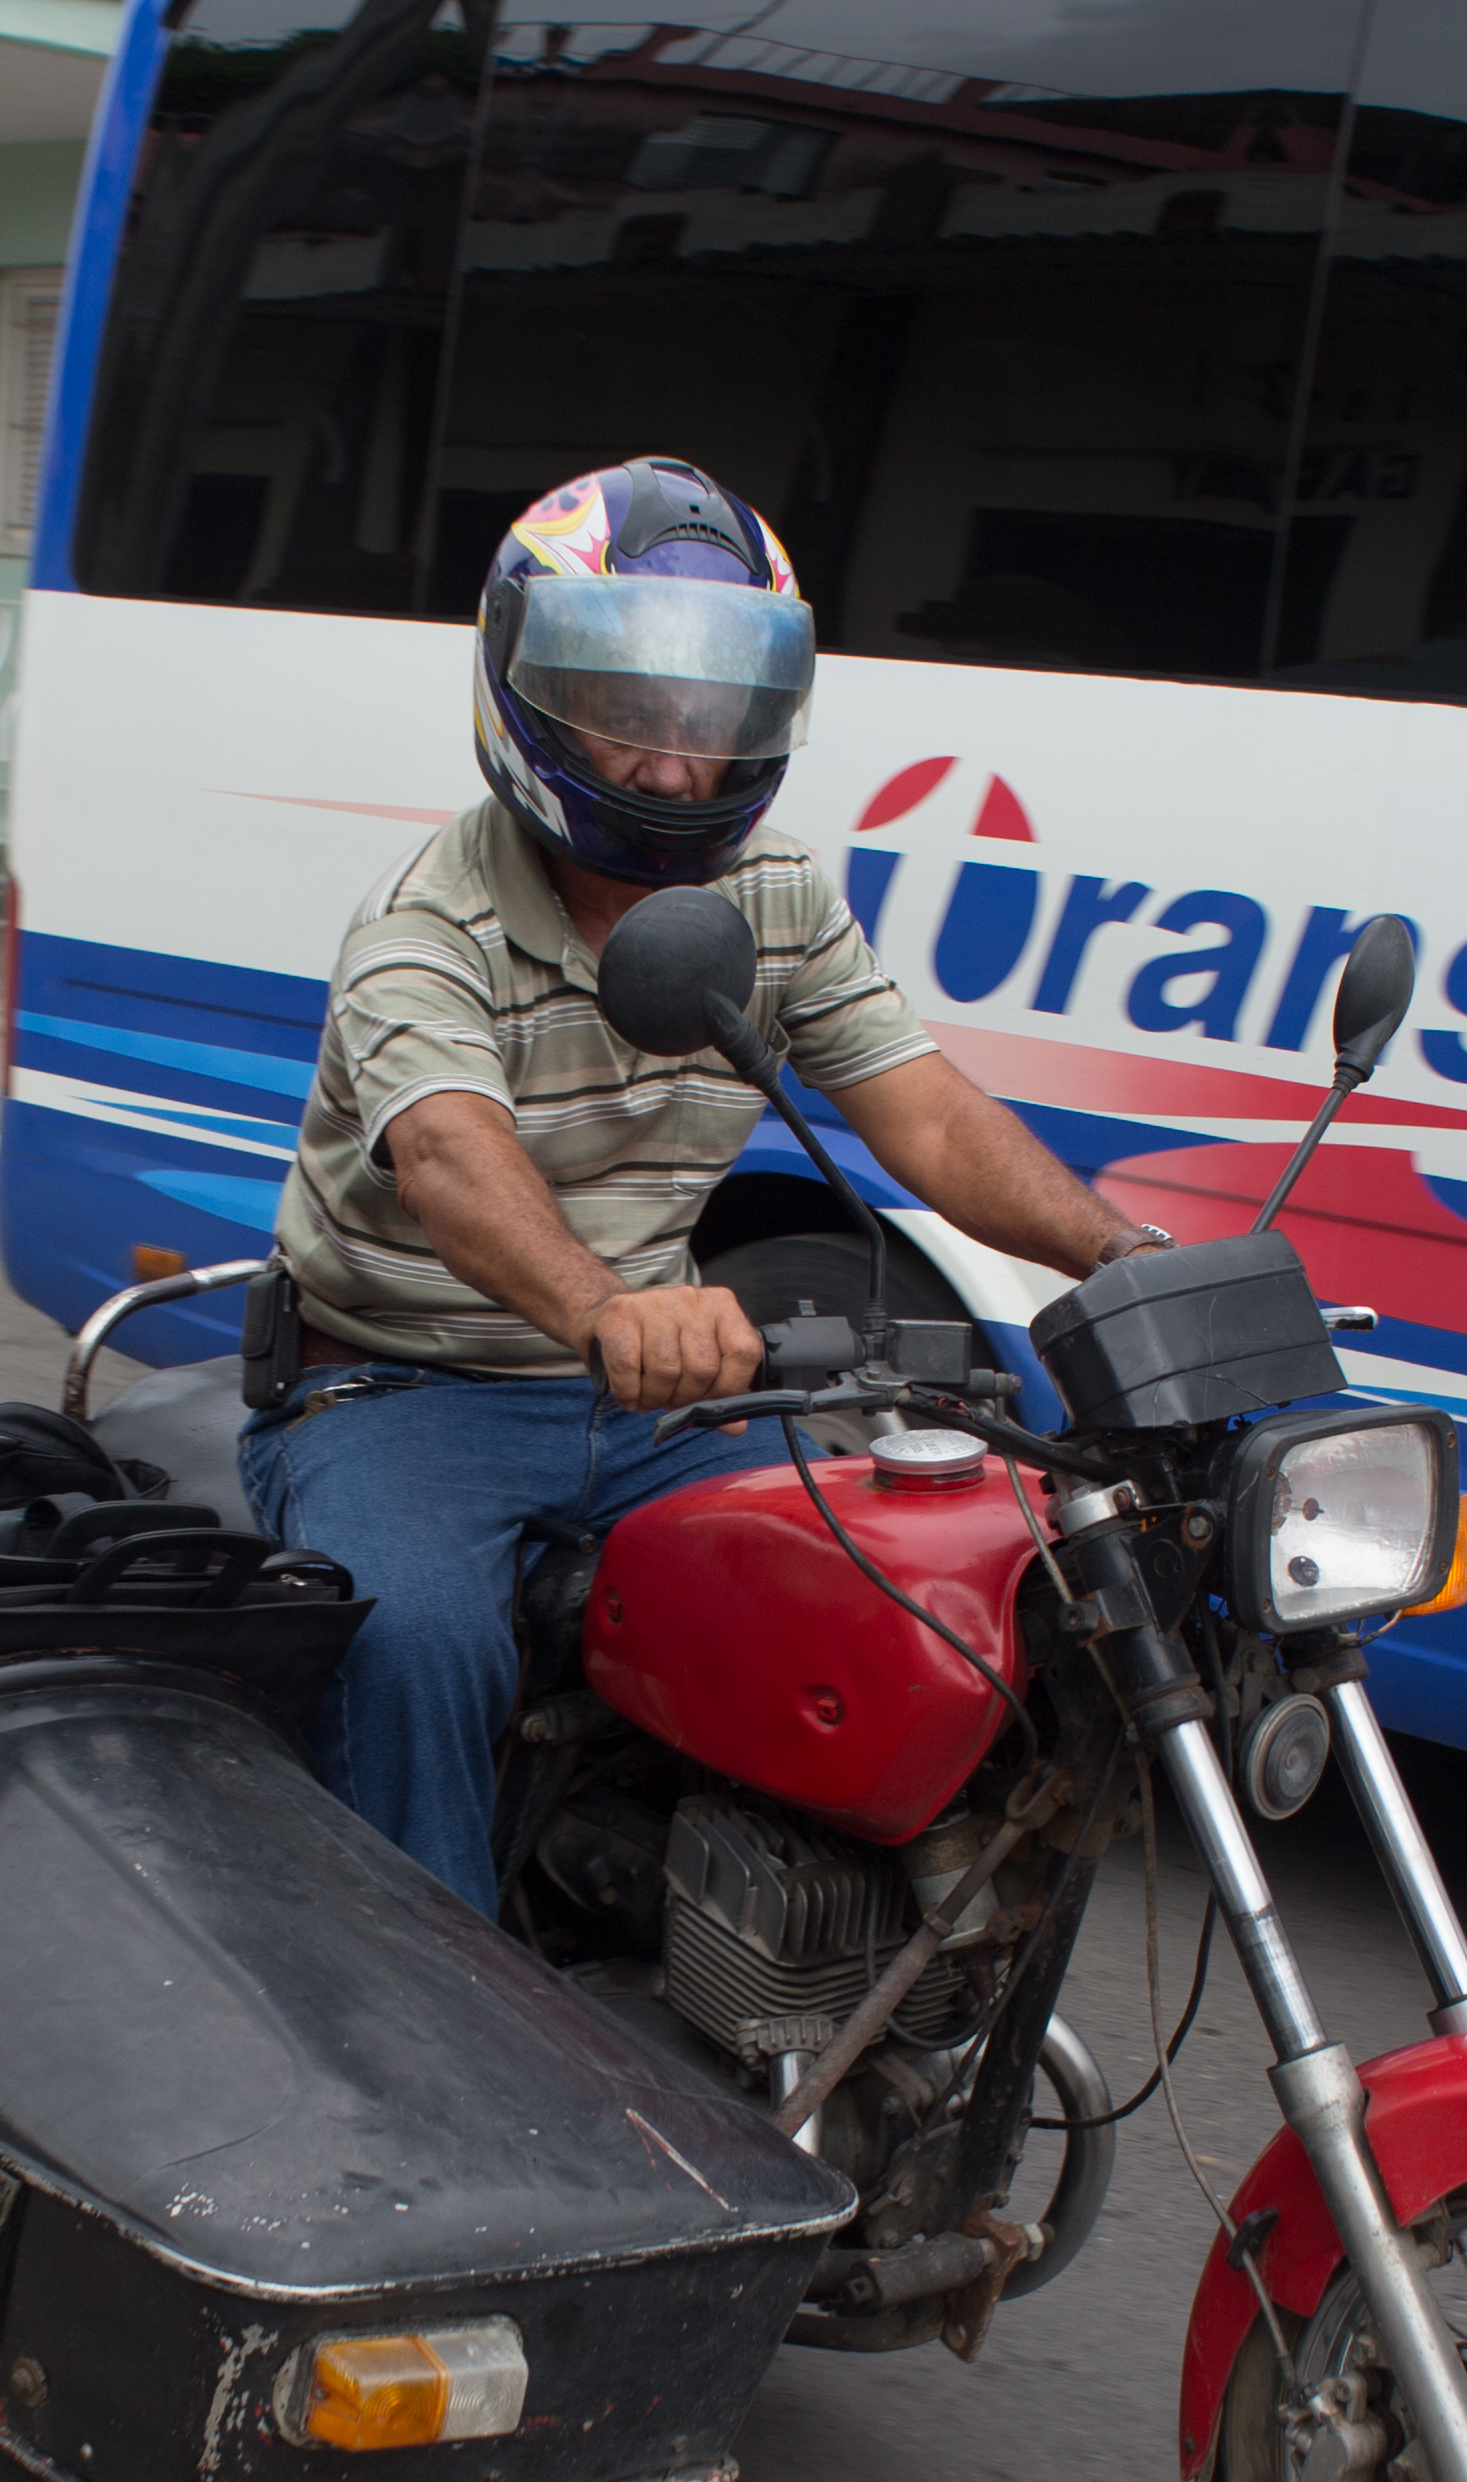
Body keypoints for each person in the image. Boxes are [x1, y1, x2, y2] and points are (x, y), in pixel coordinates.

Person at [242, 458, 1165, 1913]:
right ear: (527, 692)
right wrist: (607, 1308)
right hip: (400, 1389)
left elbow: (925, 1113)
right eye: (626, 714)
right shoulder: (429, 923)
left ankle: (830, 1962)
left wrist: (1123, 1257)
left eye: (708, 716)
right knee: (414, 1643)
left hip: (649, 1409)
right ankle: (424, 1999)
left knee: (906, 1596)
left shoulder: (775, 890)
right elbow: (450, 1158)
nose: (673, 768)